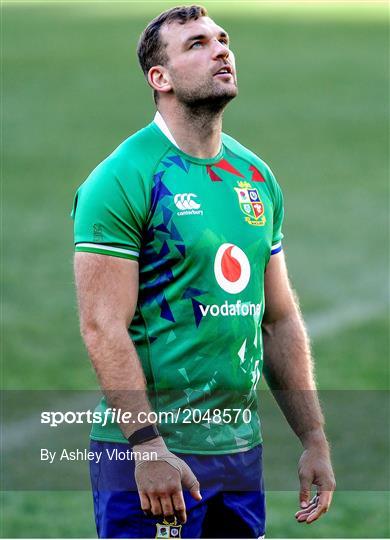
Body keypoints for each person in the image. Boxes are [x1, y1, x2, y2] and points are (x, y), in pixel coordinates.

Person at [72, 5, 336, 538]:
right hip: (155, 456)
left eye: (222, 39)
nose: (220, 50)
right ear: (160, 78)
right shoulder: (122, 179)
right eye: (196, 44)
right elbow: (103, 326)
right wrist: (147, 446)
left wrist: (313, 437)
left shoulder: (255, 177)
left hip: (239, 454)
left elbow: (278, 318)